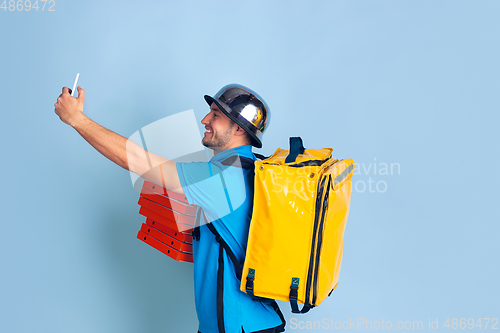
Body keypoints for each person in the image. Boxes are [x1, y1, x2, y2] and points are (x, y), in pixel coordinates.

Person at [54, 84, 285, 333]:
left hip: (238, 327)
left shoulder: (223, 178)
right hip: (242, 323)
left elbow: (134, 160)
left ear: (239, 128)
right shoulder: (248, 169)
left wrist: (76, 119)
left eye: (216, 115)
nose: (205, 119)